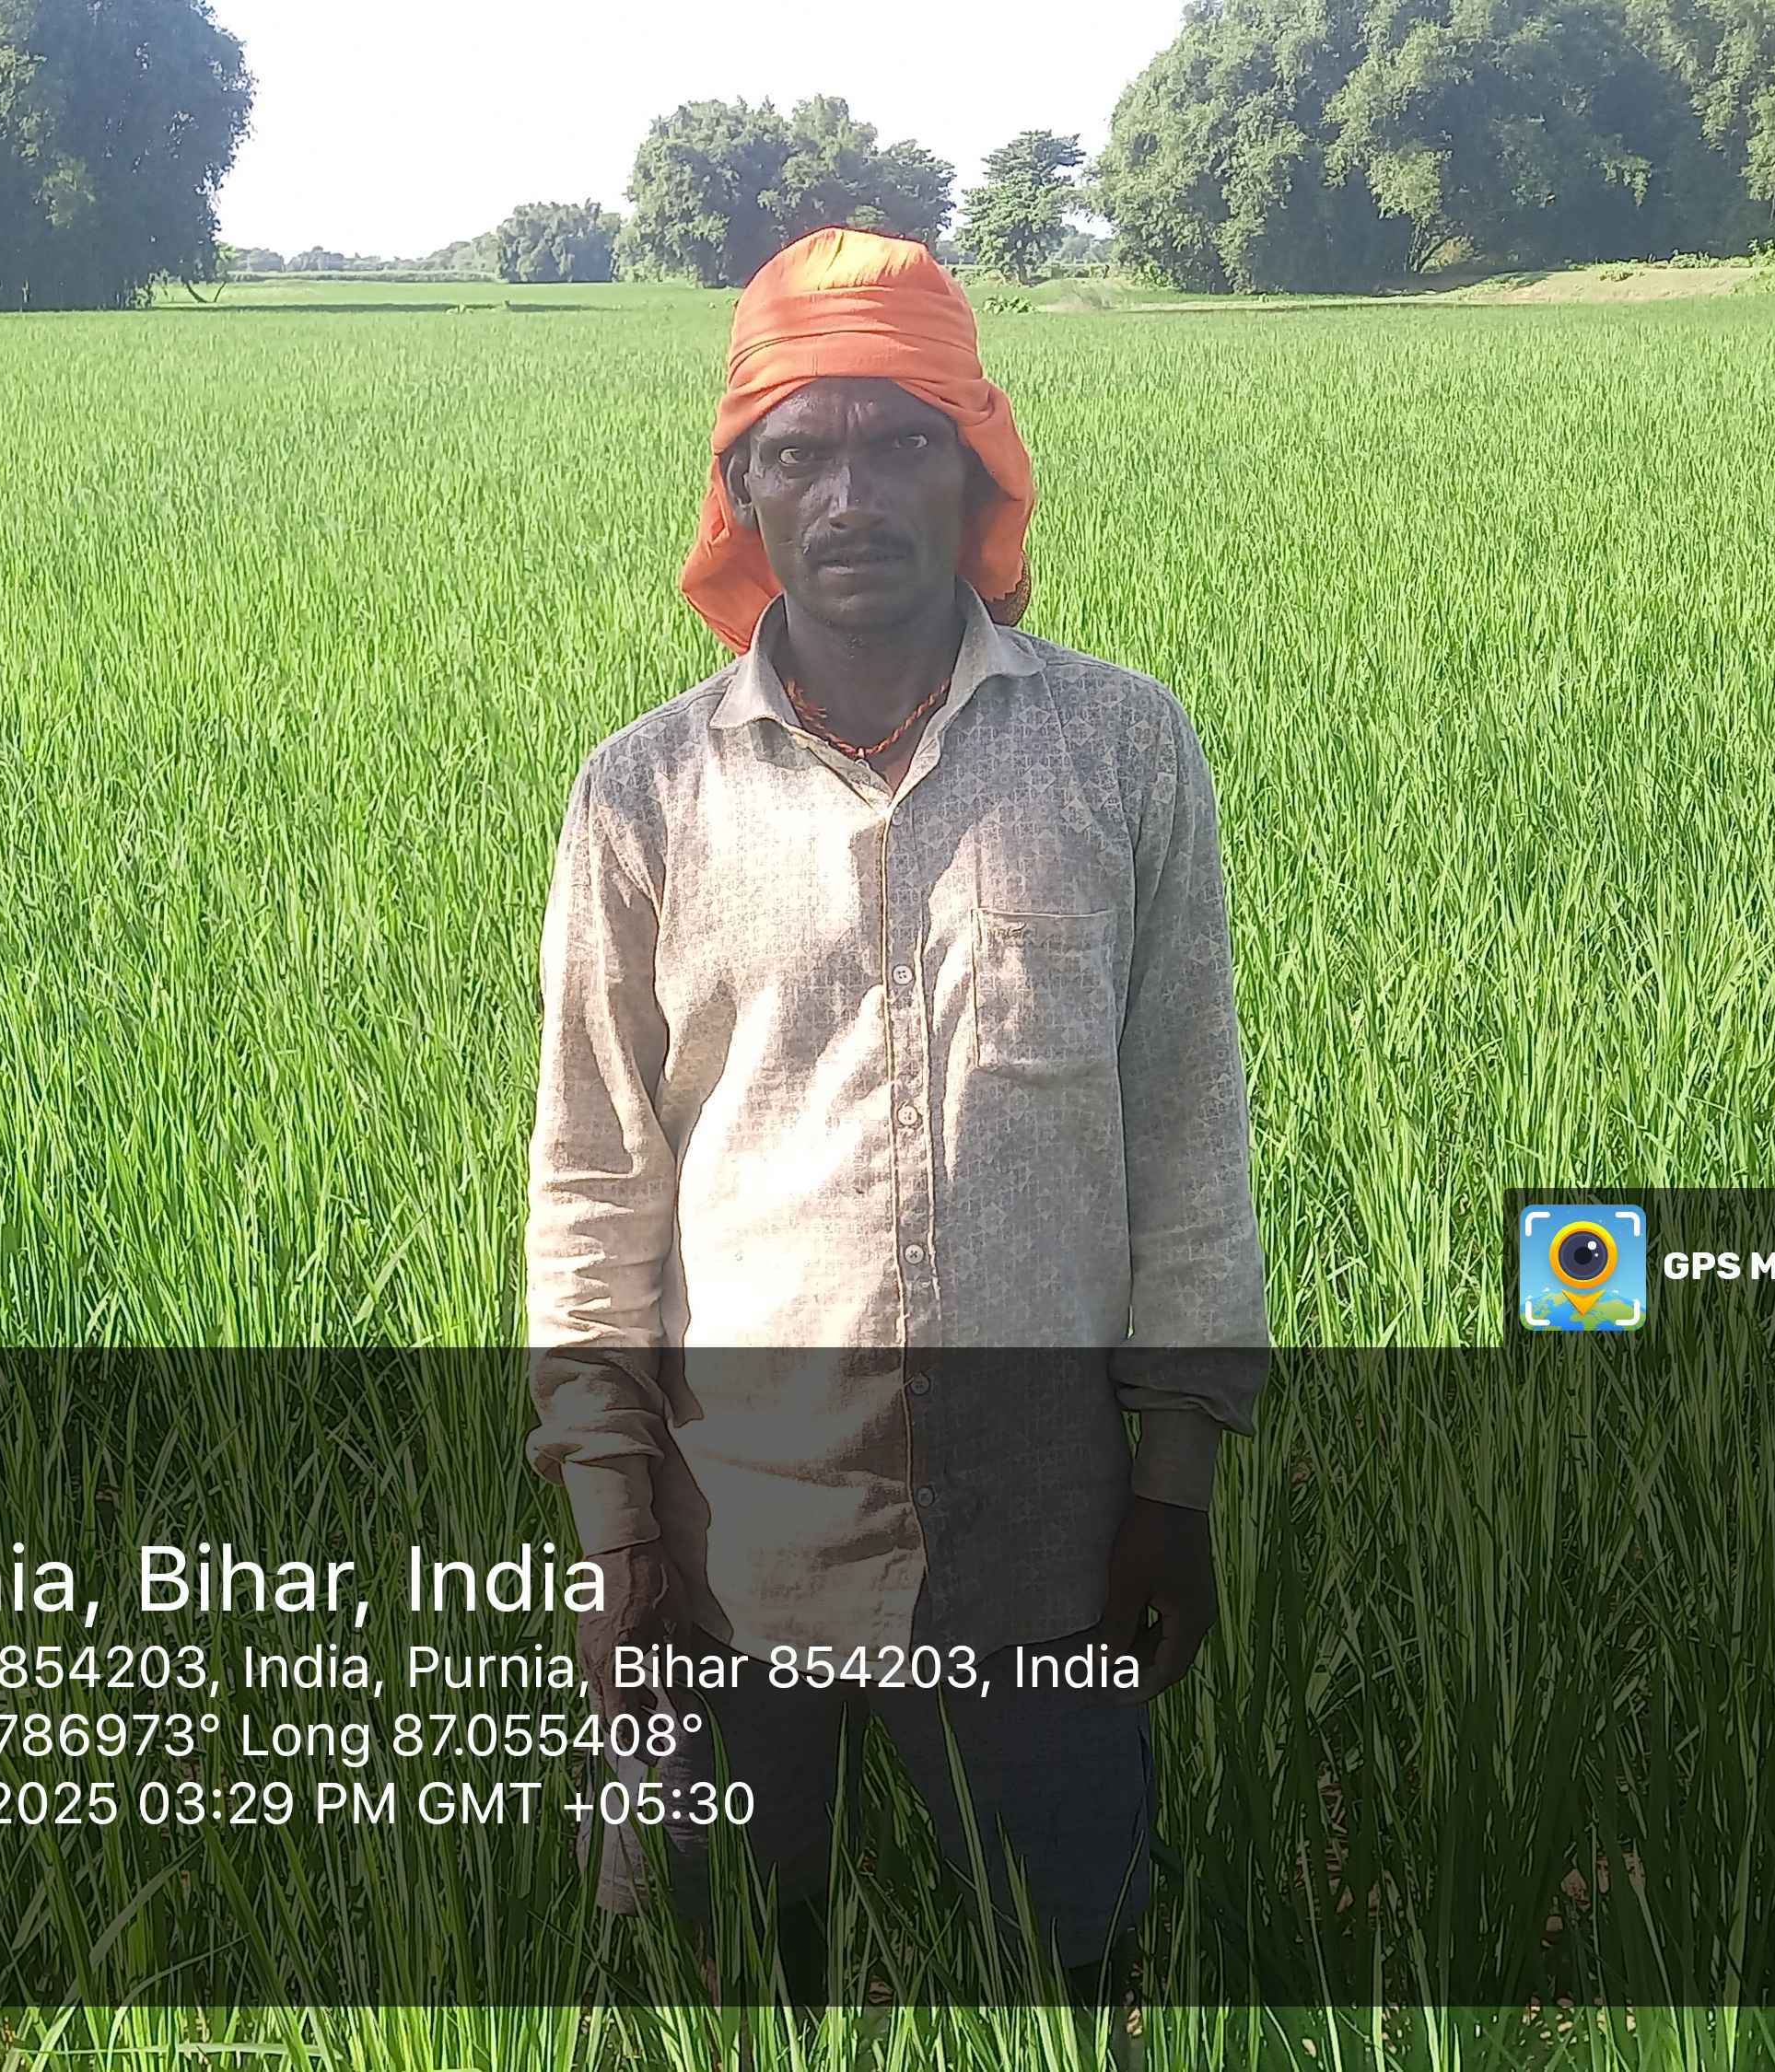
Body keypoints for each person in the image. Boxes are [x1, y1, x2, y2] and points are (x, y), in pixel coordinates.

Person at [522, 226, 1270, 2013]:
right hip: (732, 1528)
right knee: (724, 1967)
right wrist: (611, 1528)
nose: (848, 495)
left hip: (1047, 1522)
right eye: (799, 452)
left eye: (898, 442)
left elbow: (1186, 1130)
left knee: (1076, 1964)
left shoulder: (1120, 749)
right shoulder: (644, 794)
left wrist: (1173, 1482)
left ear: (975, 467)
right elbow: (596, 1174)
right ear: (741, 491)